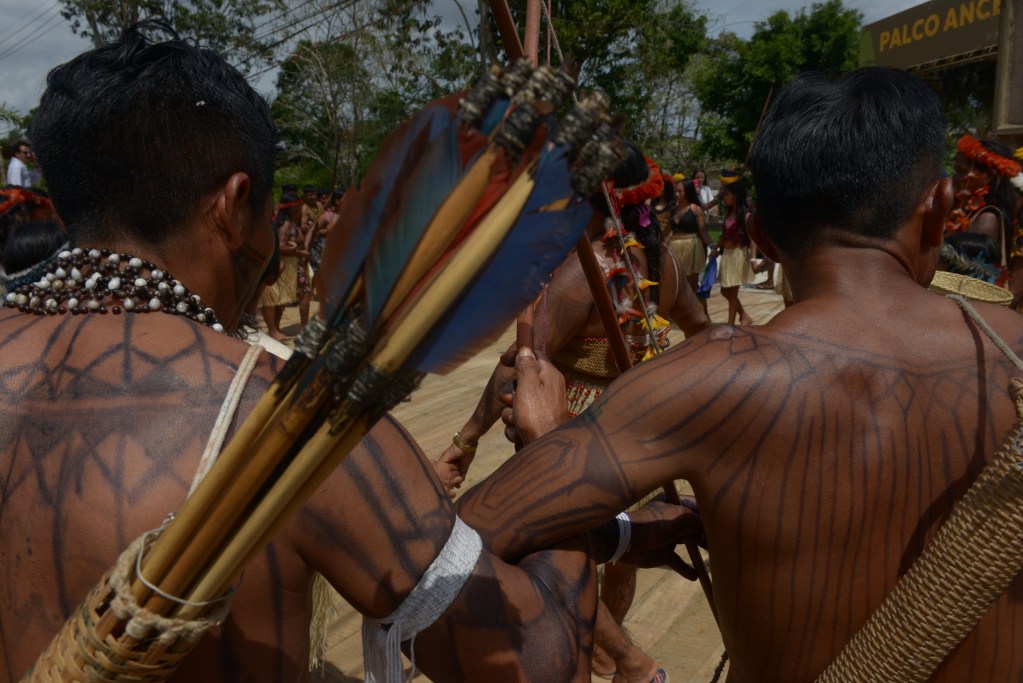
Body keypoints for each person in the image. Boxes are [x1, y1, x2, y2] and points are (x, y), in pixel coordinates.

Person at [0, 23, 700, 682]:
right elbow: (537, 664)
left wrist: (615, 536)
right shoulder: (284, 418)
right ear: (235, 205)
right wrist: (553, 457)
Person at [457, 66, 1023, 681]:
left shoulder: (712, 378)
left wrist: (545, 442)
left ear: (760, 236)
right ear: (941, 209)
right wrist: (622, 535)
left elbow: (450, 548)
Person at [436, 144, 707, 683]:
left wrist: (463, 443)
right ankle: (611, 650)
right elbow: (704, 331)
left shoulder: (589, 271)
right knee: (623, 550)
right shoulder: (664, 264)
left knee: (555, 545)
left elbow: (520, 366)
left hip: (572, 432)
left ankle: (618, 658)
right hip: (640, 430)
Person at [943, 135, 1021, 289]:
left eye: (961, 171)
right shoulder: (962, 211)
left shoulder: (988, 219)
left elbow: (967, 282)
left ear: (988, 177)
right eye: (955, 170)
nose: (955, 177)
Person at [714, 179, 755, 325]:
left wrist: (753, 259)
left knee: (732, 294)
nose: (724, 198)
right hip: (727, 256)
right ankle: (744, 316)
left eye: (727, 195)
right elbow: (724, 234)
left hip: (738, 255)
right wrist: (715, 249)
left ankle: (730, 324)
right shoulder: (728, 213)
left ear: (736, 196)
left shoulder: (745, 215)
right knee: (725, 291)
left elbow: (752, 239)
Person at [668, 178, 713, 302]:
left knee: (691, 284)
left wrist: (713, 247)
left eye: (680, 191)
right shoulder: (673, 210)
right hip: (674, 247)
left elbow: (703, 232)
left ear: (688, 192)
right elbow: (666, 232)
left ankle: (700, 314)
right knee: (676, 282)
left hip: (692, 247)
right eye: (675, 191)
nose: (677, 194)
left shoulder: (696, 210)